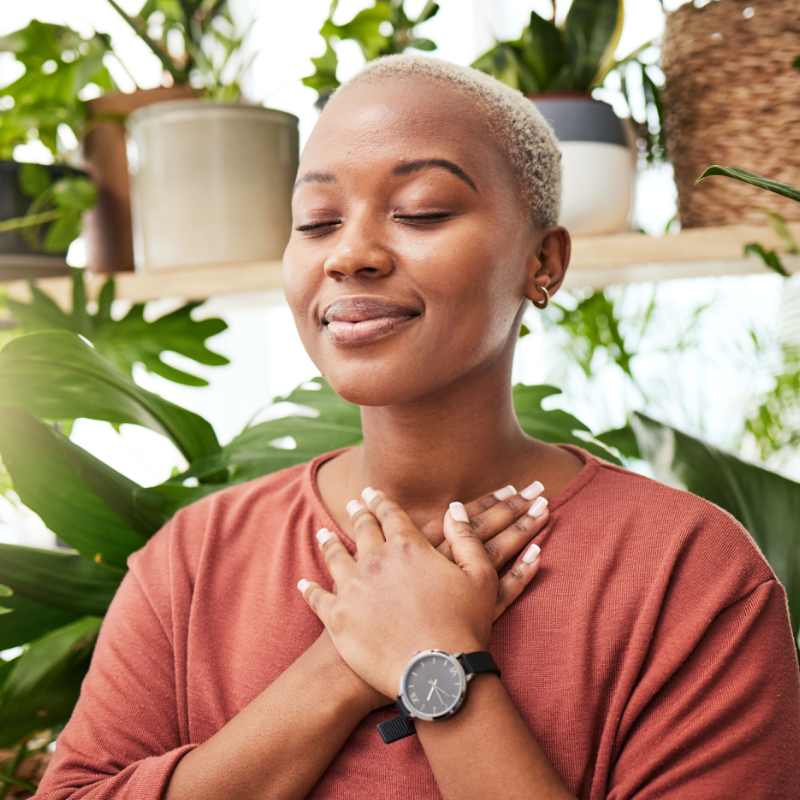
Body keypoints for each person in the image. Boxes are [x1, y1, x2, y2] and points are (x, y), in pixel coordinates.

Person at [37, 55, 800, 800]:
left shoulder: (689, 576)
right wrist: (340, 664)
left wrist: (437, 663)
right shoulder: (194, 561)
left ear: (544, 262)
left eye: (422, 211)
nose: (351, 254)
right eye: (317, 221)